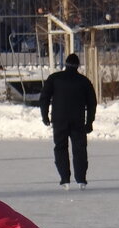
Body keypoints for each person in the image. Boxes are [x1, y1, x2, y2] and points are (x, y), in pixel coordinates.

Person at [39, 53, 97, 189]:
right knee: (80, 149)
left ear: (65, 64)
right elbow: (92, 103)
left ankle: (65, 179)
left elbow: (44, 98)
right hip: (78, 120)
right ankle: (81, 179)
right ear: (78, 66)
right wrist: (89, 122)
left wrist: (45, 115)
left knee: (60, 148)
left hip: (59, 119)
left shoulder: (55, 78)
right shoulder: (84, 81)